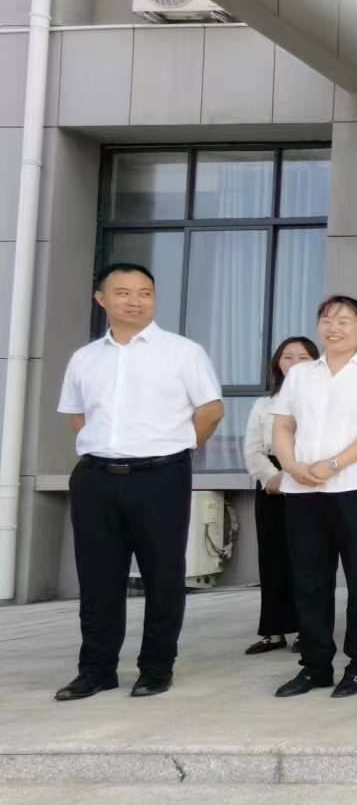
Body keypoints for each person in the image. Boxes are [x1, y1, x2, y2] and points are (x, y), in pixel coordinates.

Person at [55, 264, 223, 701]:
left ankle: (155, 667)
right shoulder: (85, 358)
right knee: (98, 579)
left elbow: (211, 411)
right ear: (101, 299)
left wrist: (177, 449)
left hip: (160, 477)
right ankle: (96, 670)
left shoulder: (182, 352)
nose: (135, 301)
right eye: (124, 292)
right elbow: (78, 416)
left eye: (145, 293)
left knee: (163, 576)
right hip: (95, 478)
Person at [271, 296, 357, 698]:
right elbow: (283, 425)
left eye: (345, 321)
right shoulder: (301, 375)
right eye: (327, 320)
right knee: (309, 581)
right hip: (303, 489)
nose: (334, 328)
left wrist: (334, 464)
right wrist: (290, 465)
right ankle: (315, 666)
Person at [243, 336, 316, 655]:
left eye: (303, 357)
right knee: (272, 558)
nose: (294, 362)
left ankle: (308, 629)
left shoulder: (321, 401)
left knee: (307, 558)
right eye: (288, 356)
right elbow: (252, 448)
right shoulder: (264, 405)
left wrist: (295, 474)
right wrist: (271, 477)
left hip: (309, 480)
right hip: (271, 485)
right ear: (277, 363)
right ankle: (273, 631)